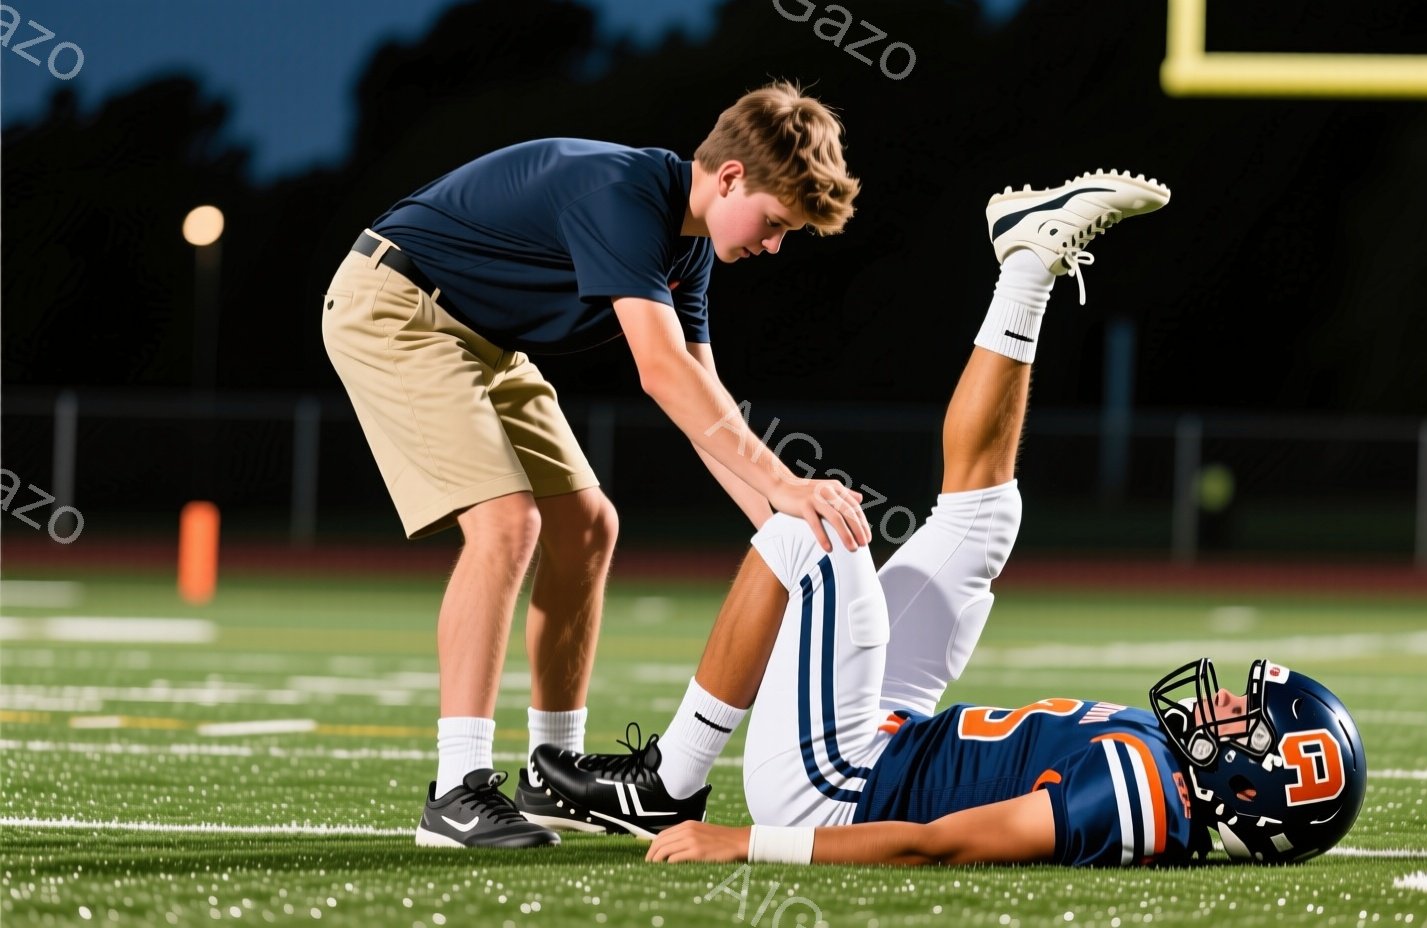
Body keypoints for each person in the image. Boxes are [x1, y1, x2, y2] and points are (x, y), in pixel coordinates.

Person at [535, 168, 1368, 866]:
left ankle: (666, 782)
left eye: (1245, 719)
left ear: (1250, 780)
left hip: (837, 789)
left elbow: (939, 845)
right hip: (894, 736)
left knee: (813, 529)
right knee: (984, 517)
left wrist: (750, 844)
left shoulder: (1143, 797)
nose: (1223, 701)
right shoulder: (1168, 767)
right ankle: (1028, 264)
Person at [320, 81, 874, 849]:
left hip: (478, 336)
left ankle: (552, 774)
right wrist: (785, 482)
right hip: (397, 306)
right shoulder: (625, 196)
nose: (774, 246)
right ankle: (455, 790)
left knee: (589, 526)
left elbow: (704, 406)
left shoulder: (689, 244)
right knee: (507, 526)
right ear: (731, 178)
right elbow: (660, 371)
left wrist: (792, 542)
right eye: (777, 224)